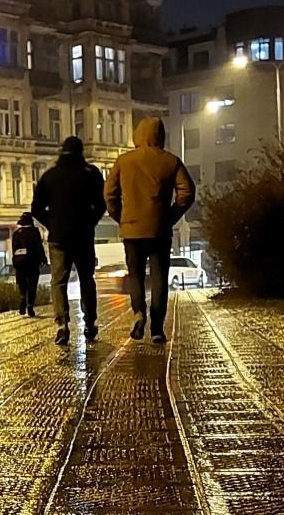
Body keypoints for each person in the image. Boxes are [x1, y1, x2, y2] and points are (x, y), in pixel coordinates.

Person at [104, 116, 196, 344]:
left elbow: (109, 194)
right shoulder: (171, 161)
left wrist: (122, 218)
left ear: (138, 135)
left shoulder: (123, 161)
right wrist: (170, 216)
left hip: (132, 231)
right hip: (160, 230)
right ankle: (157, 329)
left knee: (135, 275)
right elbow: (187, 192)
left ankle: (138, 313)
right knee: (159, 278)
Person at [31, 136, 107, 345]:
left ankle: (62, 325)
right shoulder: (90, 174)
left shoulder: (49, 177)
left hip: (58, 238)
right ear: (81, 151)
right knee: (86, 279)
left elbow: (36, 209)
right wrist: (90, 221)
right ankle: (90, 323)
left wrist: (52, 224)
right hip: (83, 235)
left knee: (59, 280)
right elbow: (102, 204)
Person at [10, 212, 46, 317]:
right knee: (32, 285)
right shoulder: (34, 232)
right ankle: (30, 306)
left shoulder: (16, 233)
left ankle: (22, 297)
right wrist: (43, 259)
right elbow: (39, 246)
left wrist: (15, 262)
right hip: (32, 262)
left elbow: (14, 249)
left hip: (19, 263)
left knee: (22, 284)